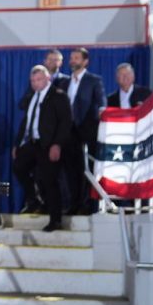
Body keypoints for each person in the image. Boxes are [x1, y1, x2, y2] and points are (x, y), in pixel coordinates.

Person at [13, 66, 72, 232]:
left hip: (49, 144)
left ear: (48, 79)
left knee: (50, 181)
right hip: (32, 143)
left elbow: (65, 122)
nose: (35, 83)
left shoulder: (58, 96)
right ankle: (34, 199)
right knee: (18, 167)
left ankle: (55, 219)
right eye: (32, 81)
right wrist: (17, 144)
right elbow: (26, 122)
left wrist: (57, 144)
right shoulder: (32, 96)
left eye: (38, 79)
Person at [56, 48, 106, 215]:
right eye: (71, 58)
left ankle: (87, 205)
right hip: (68, 134)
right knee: (70, 170)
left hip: (87, 132)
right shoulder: (63, 83)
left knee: (86, 169)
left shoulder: (94, 80)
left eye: (77, 58)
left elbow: (101, 103)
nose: (73, 61)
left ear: (85, 61)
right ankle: (73, 203)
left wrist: (102, 111)